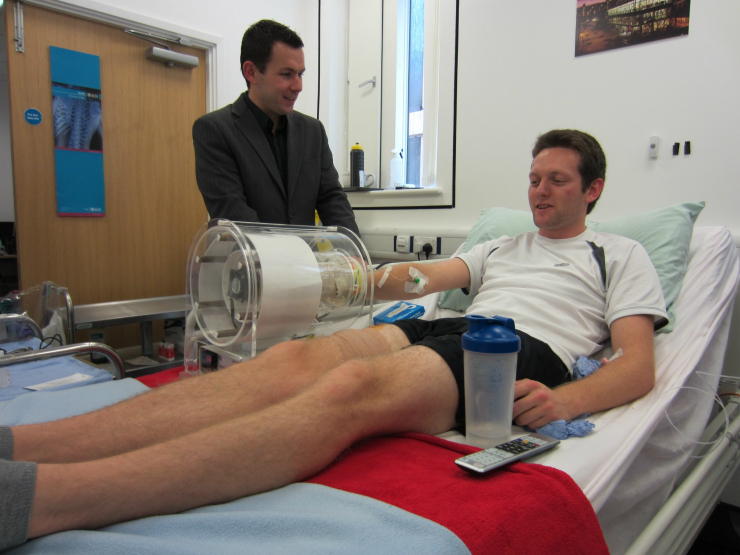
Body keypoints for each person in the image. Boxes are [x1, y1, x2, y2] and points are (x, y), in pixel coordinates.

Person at [0, 129, 666, 550]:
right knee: (295, 359)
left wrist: (569, 400)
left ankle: (51, 500)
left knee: (350, 388)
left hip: (523, 347)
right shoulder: (501, 244)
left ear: (594, 189)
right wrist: (362, 280)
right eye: (534, 176)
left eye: (557, 179)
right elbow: (428, 277)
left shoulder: (618, 253)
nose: (539, 190)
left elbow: (636, 364)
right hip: (449, 324)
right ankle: (20, 446)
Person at [192, 20, 359, 235]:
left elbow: (332, 200)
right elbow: (235, 216)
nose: (298, 86)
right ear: (251, 72)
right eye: (286, 74)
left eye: (301, 74)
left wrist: (355, 254)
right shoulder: (215, 131)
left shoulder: (312, 131)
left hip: (305, 266)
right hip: (251, 266)